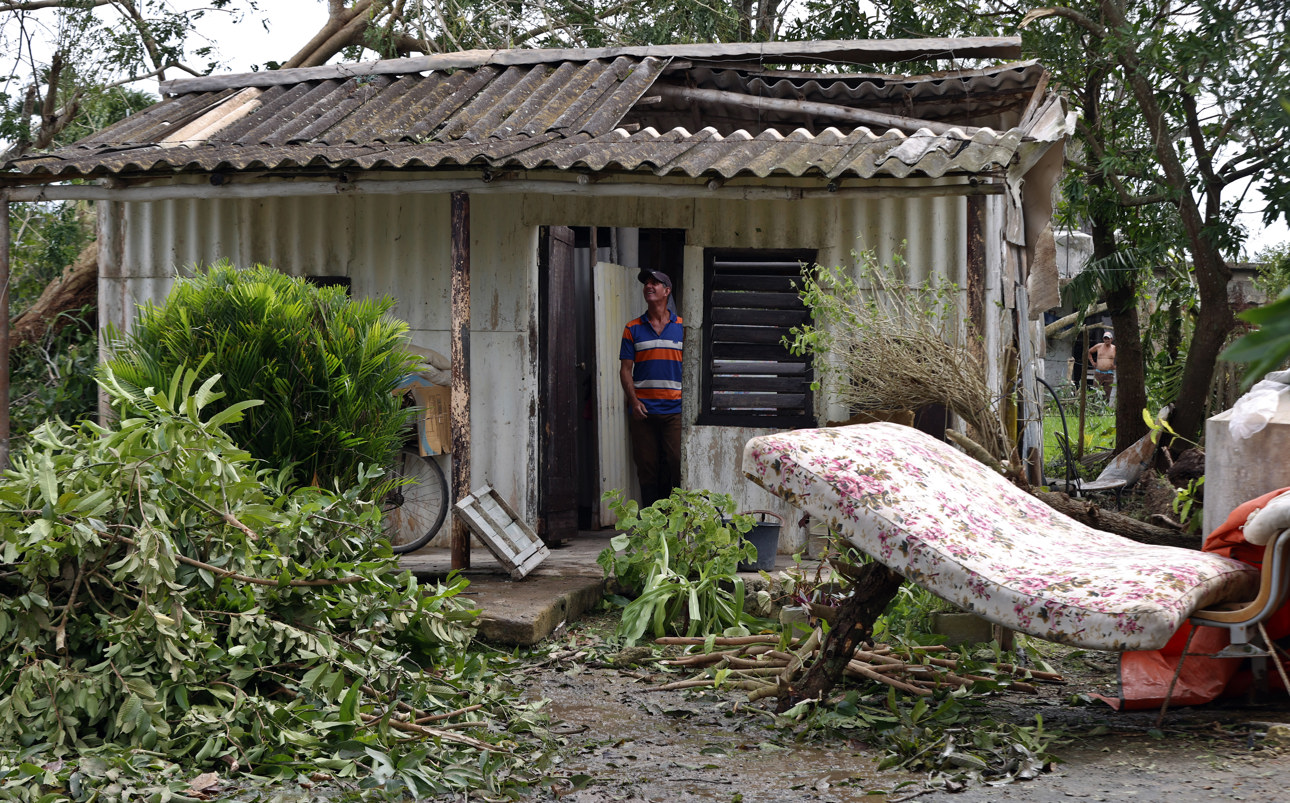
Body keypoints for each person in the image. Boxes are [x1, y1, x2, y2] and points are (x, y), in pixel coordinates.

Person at [619, 269, 683, 507]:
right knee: (647, 466)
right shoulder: (632, 328)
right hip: (642, 411)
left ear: (667, 291)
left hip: (674, 410)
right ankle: (651, 522)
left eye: (656, 283)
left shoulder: (682, 328)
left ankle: (674, 518)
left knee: (676, 461)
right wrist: (634, 403)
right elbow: (625, 370)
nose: (649, 285)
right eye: (647, 282)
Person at [1088, 332, 1116, 400]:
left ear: (1111, 339)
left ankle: (1105, 409)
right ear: (1103, 339)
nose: (1106, 340)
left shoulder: (1114, 348)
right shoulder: (1099, 346)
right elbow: (1089, 352)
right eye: (1105, 338)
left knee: (1107, 395)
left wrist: (1115, 367)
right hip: (1098, 373)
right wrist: (1092, 362)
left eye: (1108, 339)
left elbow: (1122, 357)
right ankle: (1095, 408)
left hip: (1109, 374)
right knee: (1095, 393)